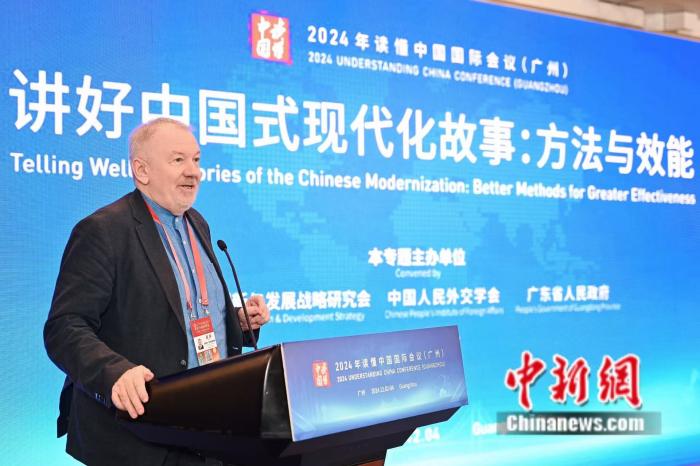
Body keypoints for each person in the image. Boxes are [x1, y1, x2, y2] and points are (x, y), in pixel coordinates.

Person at [44, 118, 270, 466]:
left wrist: (238, 322)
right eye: (178, 160)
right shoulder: (103, 231)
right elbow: (64, 326)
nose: (193, 171)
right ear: (142, 170)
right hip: (139, 439)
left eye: (196, 159)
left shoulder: (197, 223)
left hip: (209, 429)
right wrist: (115, 372)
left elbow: (186, 315)